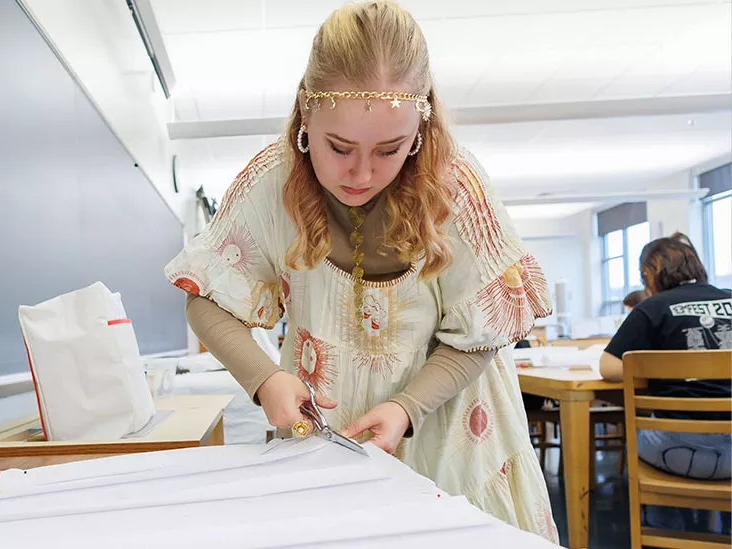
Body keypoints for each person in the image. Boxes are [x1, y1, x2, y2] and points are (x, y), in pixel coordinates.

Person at [164, 1, 556, 541]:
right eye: (339, 147)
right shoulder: (270, 183)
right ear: (306, 112)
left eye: (390, 150)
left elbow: (479, 334)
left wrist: (406, 407)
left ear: (421, 126)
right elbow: (205, 301)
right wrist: (265, 379)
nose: (362, 173)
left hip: (448, 440)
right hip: (324, 445)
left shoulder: (455, 188)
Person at [599, 233, 731, 478]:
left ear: (649, 275)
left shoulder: (652, 307)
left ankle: (664, 514)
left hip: (678, 450)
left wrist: (655, 370)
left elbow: (608, 367)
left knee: (633, 435)